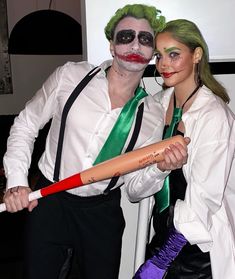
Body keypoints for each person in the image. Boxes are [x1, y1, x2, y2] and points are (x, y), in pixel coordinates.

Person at [3, 5, 188, 279]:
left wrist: (161, 169)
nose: (135, 44)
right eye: (126, 36)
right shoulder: (71, 76)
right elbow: (26, 124)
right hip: (49, 202)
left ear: (152, 53)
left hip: (102, 214)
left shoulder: (151, 114)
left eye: (145, 39)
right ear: (112, 45)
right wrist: (16, 181)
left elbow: (136, 191)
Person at [134, 19, 235, 279]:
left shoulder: (214, 115)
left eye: (174, 54)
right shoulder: (154, 107)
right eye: (159, 55)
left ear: (196, 55)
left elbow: (205, 200)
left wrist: (162, 260)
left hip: (197, 250)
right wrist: (159, 168)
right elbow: (135, 189)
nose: (163, 64)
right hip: (162, 237)